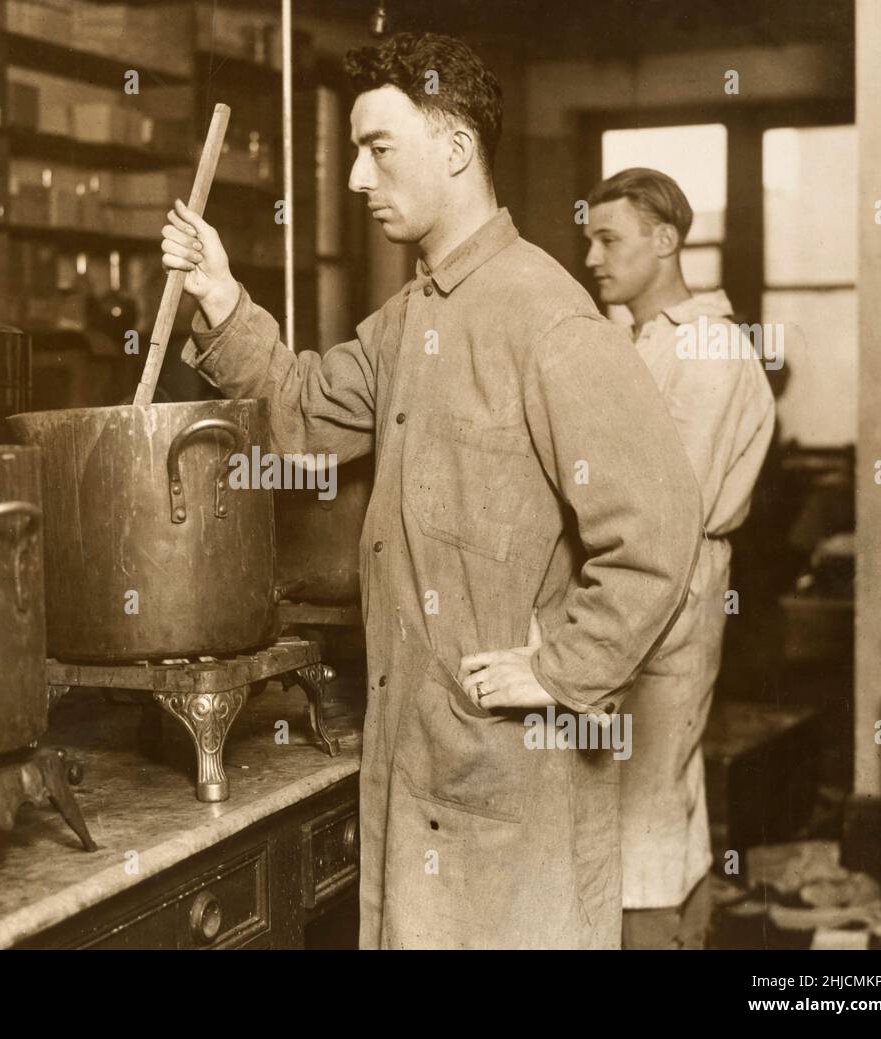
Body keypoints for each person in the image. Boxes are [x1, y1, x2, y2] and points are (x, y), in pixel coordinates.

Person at [163, 32, 701, 949]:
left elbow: (657, 529)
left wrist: (560, 669)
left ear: (455, 149)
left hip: (511, 790)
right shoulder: (409, 321)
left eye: (378, 149)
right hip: (418, 771)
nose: (358, 180)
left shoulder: (548, 319)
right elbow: (298, 416)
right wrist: (221, 297)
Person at [584, 167, 775, 948]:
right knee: (655, 783)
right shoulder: (637, 338)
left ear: (664, 241)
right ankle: (679, 932)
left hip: (670, 581)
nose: (592, 255)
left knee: (644, 797)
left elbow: (669, 502)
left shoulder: (707, 348)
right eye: (589, 238)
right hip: (632, 579)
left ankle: (654, 936)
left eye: (608, 238)